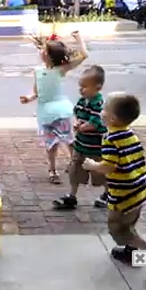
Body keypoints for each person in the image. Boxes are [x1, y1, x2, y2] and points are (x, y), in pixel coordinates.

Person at [82, 93, 146, 278]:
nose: (101, 111)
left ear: (112, 118)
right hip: (138, 191)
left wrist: (91, 165)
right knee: (130, 225)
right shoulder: (130, 135)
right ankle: (134, 256)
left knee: (117, 228)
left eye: (104, 108)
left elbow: (108, 167)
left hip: (123, 195)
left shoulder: (111, 140)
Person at [20, 32, 89, 183]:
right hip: (45, 114)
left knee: (69, 140)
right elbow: (37, 92)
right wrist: (29, 98)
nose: (41, 52)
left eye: (45, 51)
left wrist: (78, 39)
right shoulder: (38, 72)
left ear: (51, 57)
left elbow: (84, 54)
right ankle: (53, 170)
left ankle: (74, 163)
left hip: (60, 112)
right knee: (51, 143)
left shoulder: (61, 70)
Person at [53, 65, 108, 210]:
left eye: (85, 87)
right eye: (80, 86)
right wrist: (78, 123)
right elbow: (78, 113)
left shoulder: (99, 103)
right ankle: (72, 195)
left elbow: (96, 122)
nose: (81, 90)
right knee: (75, 169)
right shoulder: (82, 101)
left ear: (97, 87)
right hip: (81, 145)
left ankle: (108, 193)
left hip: (95, 148)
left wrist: (84, 127)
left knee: (100, 173)